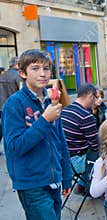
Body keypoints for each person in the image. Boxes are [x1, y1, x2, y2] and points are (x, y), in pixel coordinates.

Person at [1, 49, 72, 219]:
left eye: (46, 68)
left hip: (54, 178)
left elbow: (60, 141)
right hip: (32, 184)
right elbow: (14, 147)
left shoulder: (50, 101)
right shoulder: (14, 104)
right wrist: (45, 120)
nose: (43, 74)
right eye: (35, 68)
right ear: (22, 73)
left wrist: (67, 175)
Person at [61, 83, 99, 194]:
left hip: (63, 159)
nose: (96, 101)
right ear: (90, 96)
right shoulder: (86, 116)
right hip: (75, 163)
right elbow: (95, 146)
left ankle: (82, 185)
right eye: (95, 97)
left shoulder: (65, 110)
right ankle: (95, 189)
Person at [0, 57, 23, 141]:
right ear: (16, 64)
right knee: (14, 128)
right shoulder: (18, 75)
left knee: (3, 126)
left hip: (2, 105)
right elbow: (22, 90)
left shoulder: (2, 75)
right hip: (14, 106)